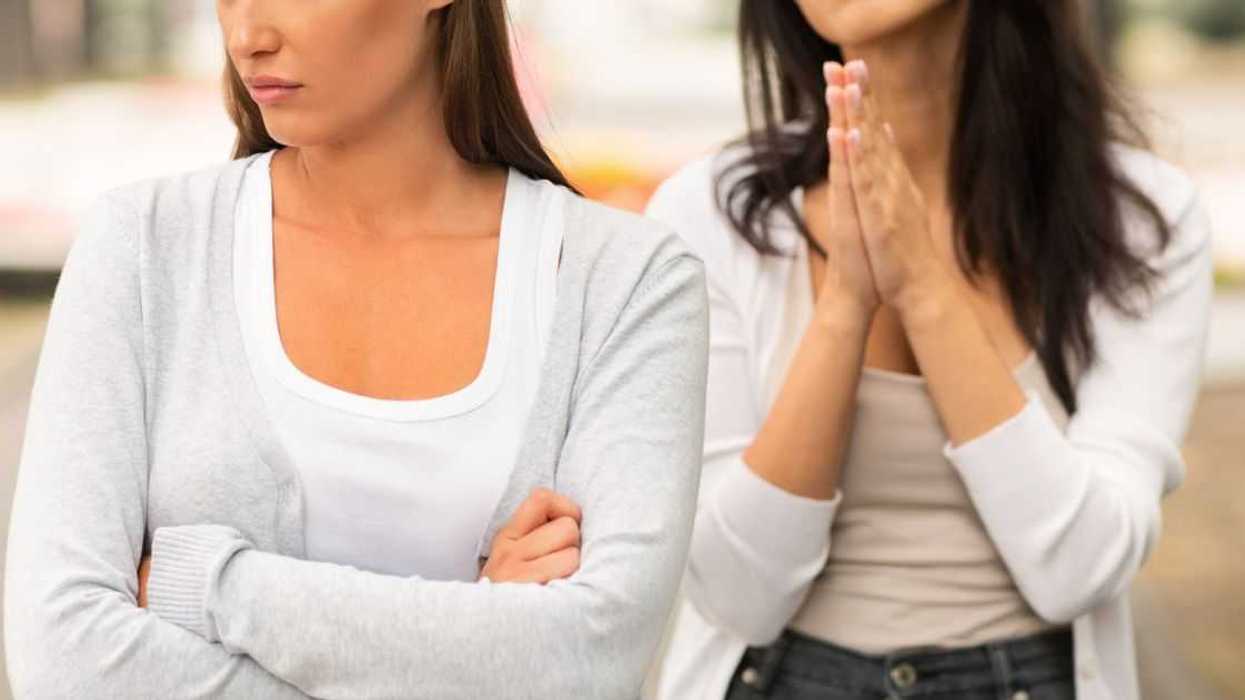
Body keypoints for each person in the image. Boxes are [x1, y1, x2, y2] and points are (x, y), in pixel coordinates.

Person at [3, 1, 709, 697]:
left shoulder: (626, 282)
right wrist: (473, 636)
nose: (248, 34)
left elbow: (591, 657)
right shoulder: (143, 246)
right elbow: (64, 658)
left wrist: (208, 584)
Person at [643, 1, 1214, 699]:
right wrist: (846, 305)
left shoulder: (1140, 222)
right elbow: (736, 594)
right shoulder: (708, 217)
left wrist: (921, 285)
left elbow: (1080, 567)